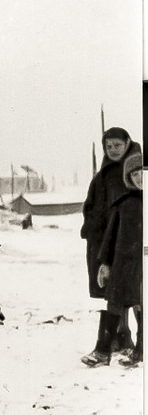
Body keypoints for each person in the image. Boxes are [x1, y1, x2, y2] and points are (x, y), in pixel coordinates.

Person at [80, 127, 140, 364]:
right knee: (113, 291)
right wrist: (93, 229)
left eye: (118, 145)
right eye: (109, 146)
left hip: (132, 244)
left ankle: (139, 344)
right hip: (107, 241)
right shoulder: (103, 175)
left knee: (136, 293)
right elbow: (91, 205)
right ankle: (119, 338)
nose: (113, 150)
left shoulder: (136, 169)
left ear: (128, 143)